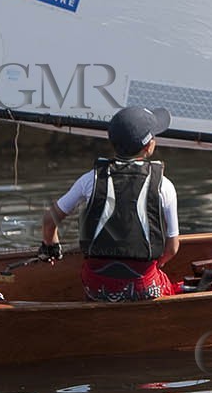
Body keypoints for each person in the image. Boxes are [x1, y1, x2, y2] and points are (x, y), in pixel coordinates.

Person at [40, 106, 182, 300]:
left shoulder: (90, 180)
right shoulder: (164, 186)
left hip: (96, 286)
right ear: (149, 146)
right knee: (169, 285)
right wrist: (156, 264)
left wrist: (51, 246)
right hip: (143, 286)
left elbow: (50, 220)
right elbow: (172, 248)